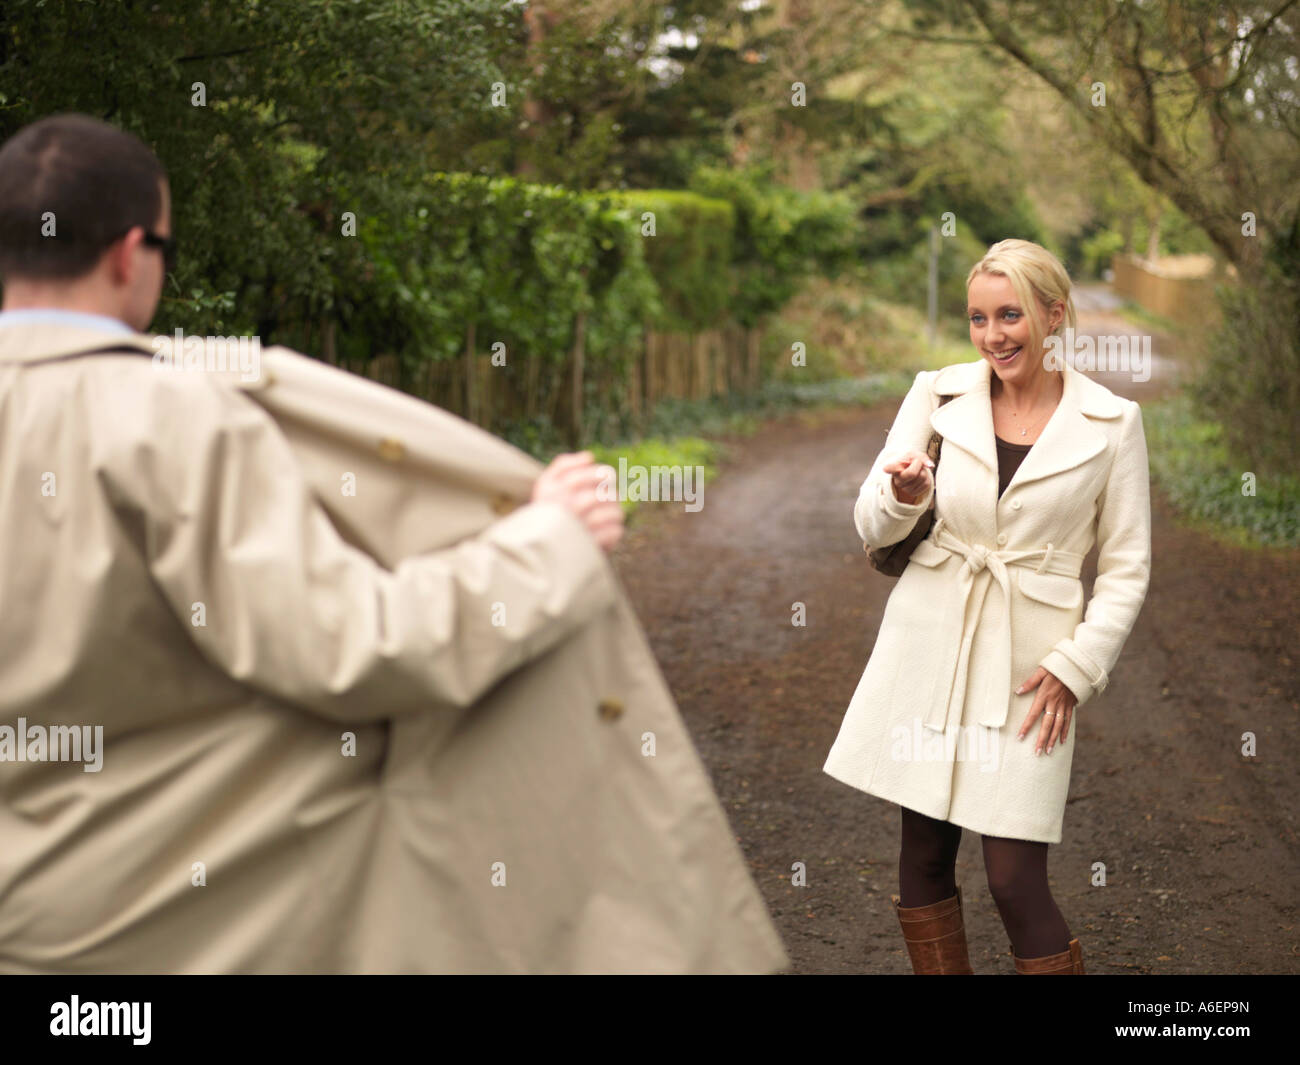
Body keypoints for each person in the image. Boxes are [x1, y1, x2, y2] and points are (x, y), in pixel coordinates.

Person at [0, 113, 789, 973]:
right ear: (129, 253)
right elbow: (345, 647)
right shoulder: (171, 415)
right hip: (175, 931)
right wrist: (550, 540)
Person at [823, 238, 1152, 974]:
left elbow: (1127, 568)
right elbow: (871, 525)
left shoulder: (1112, 423)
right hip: (930, 641)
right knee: (925, 856)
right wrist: (901, 495)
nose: (993, 335)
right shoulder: (938, 394)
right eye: (978, 318)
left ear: (1053, 314)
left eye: (1009, 315)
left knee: (1013, 877)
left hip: (1032, 669)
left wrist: (1078, 665)